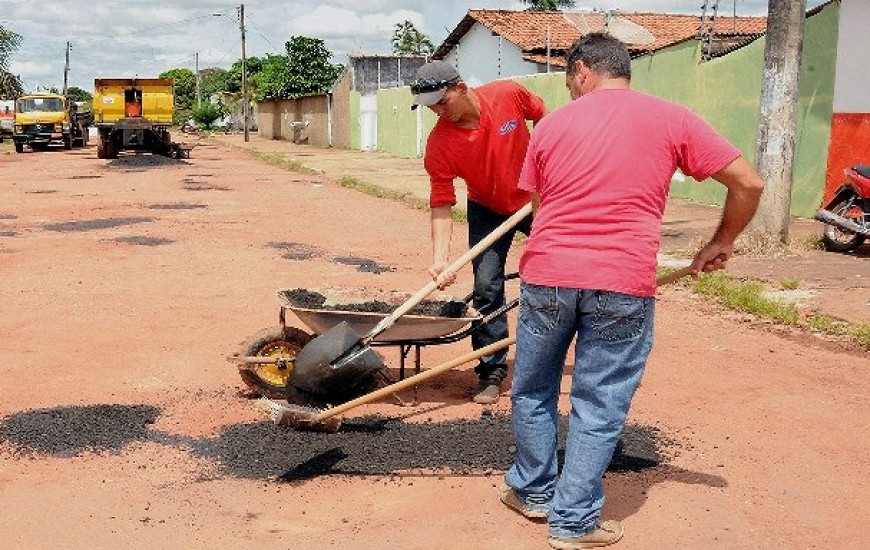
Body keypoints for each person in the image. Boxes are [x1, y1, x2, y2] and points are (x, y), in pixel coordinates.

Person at [500, 34, 764, 548]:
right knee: (597, 403)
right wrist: (721, 243)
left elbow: (538, 208)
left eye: (569, 81)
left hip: (549, 275)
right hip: (622, 281)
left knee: (533, 388)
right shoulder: (672, 118)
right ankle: (572, 523)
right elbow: (748, 183)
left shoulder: (551, 125)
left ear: (579, 71)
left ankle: (532, 492)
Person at [411, 60, 548, 404]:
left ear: (460, 87)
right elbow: (441, 203)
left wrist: (548, 162)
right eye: (431, 107)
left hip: (537, 199)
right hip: (486, 207)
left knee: (560, 274)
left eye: (442, 102)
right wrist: (440, 260)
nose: (438, 113)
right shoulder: (440, 145)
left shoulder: (508, 94)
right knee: (487, 286)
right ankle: (491, 371)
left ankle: (553, 354)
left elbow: (543, 115)